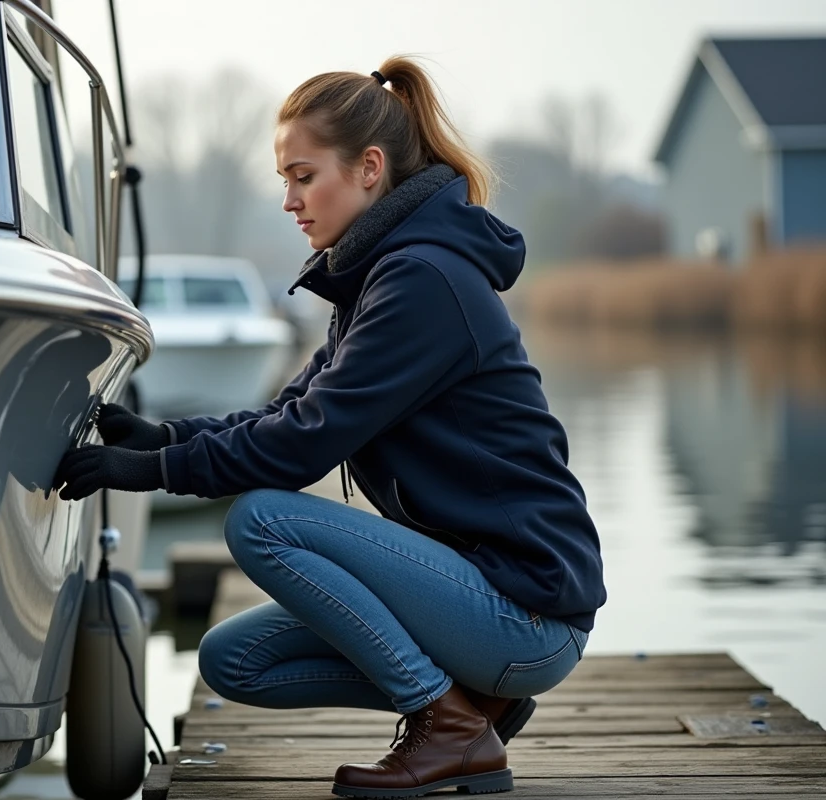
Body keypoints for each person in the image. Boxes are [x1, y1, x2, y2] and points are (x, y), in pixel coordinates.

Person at [54, 55, 607, 798]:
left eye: (302, 175)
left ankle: (446, 722)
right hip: (487, 601)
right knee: (231, 661)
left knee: (262, 521)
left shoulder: (422, 283)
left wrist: (154, 476)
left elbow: (305, 442)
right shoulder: (382, 278)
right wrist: (166, 439)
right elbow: (287, 413)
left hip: (527, 612)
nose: (288, 199)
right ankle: (478, 707)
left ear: (370, 168)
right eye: (285, 178)